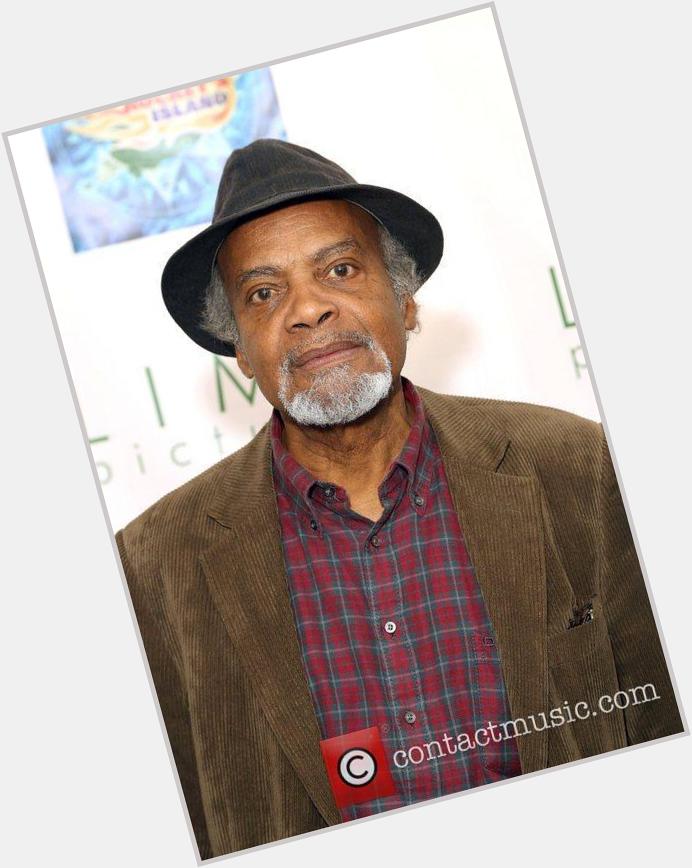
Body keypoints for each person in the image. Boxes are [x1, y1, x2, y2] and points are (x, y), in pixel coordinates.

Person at [116, 139, 682, 860]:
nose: (309, 308)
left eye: (340, 270)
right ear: (240, 352)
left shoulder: (576, 466)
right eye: (263, 294)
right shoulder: (151, 566)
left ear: (406, 301)